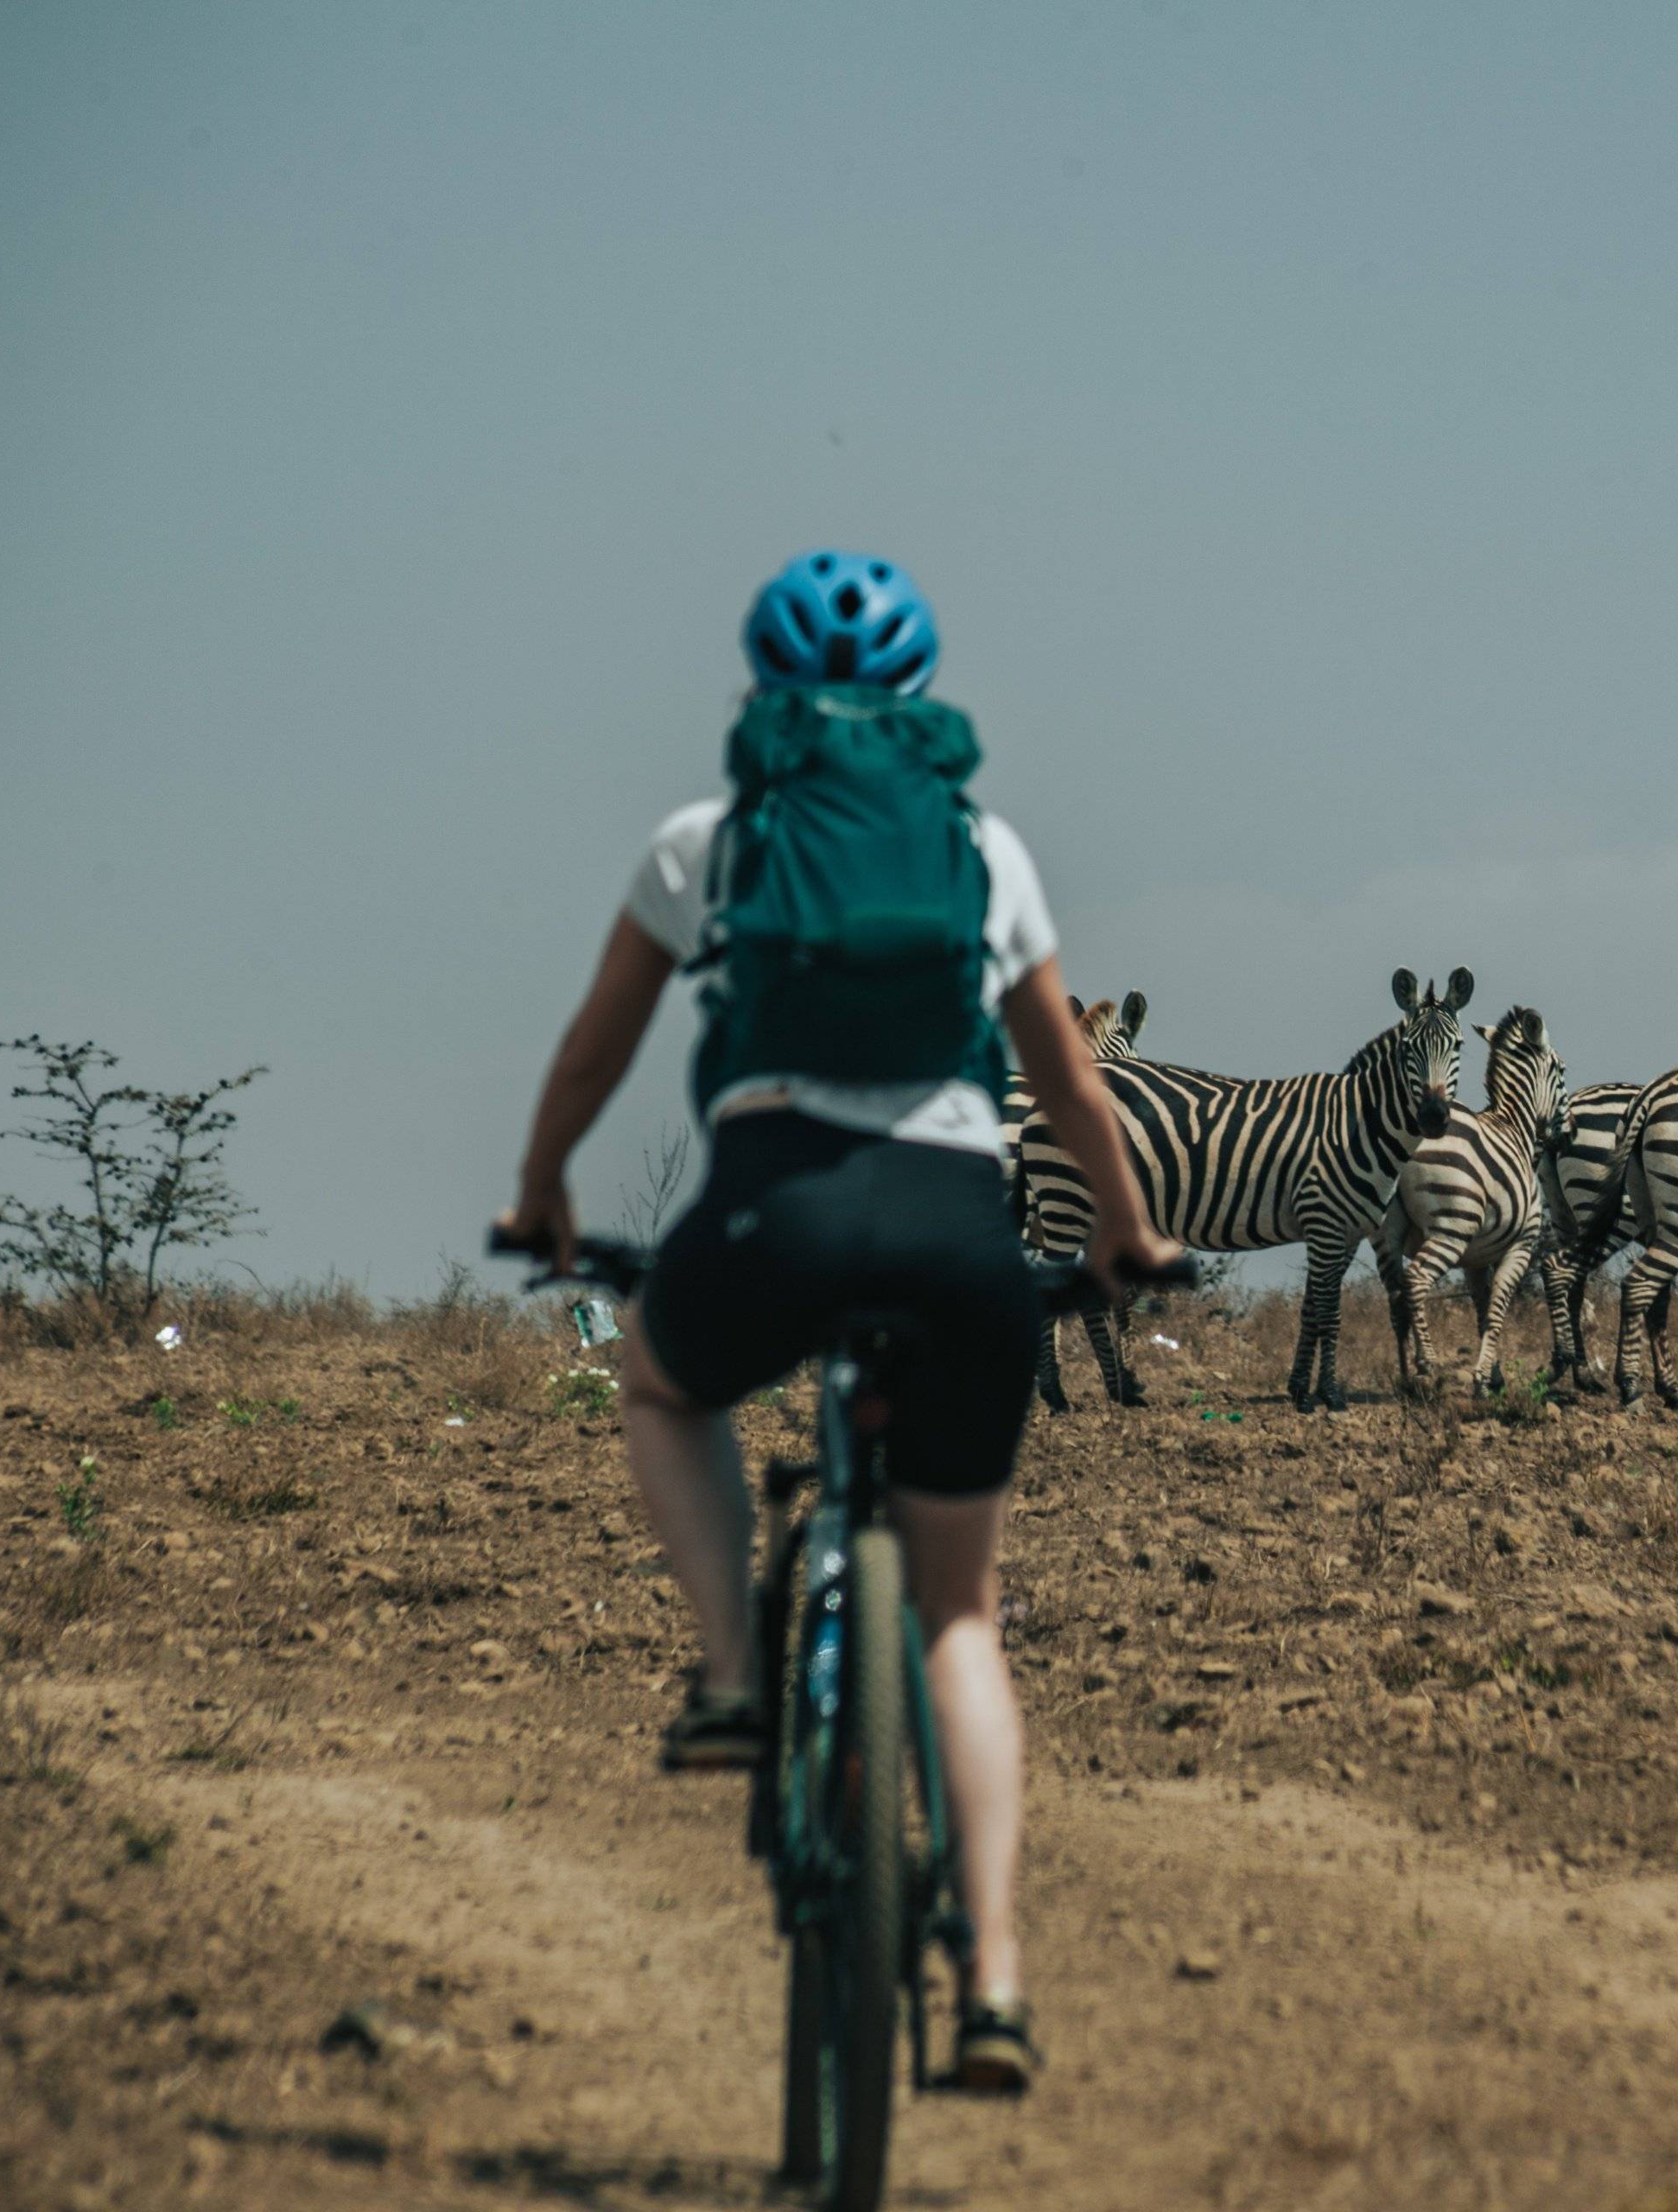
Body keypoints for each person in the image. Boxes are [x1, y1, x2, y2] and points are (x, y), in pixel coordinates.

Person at [496, 550, 1178, 2093]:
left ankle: (737, 1675)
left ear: (761, 693)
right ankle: (994, 1977)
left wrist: (543, 1188)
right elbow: (1070, 1082)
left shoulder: (707, 843)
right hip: (957, 1237)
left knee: (666, 1392)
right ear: (921, 700)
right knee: (958, 1620)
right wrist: (1130, 1234)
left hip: (771, 1214)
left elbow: (596, 1051)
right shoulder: (984, 848)